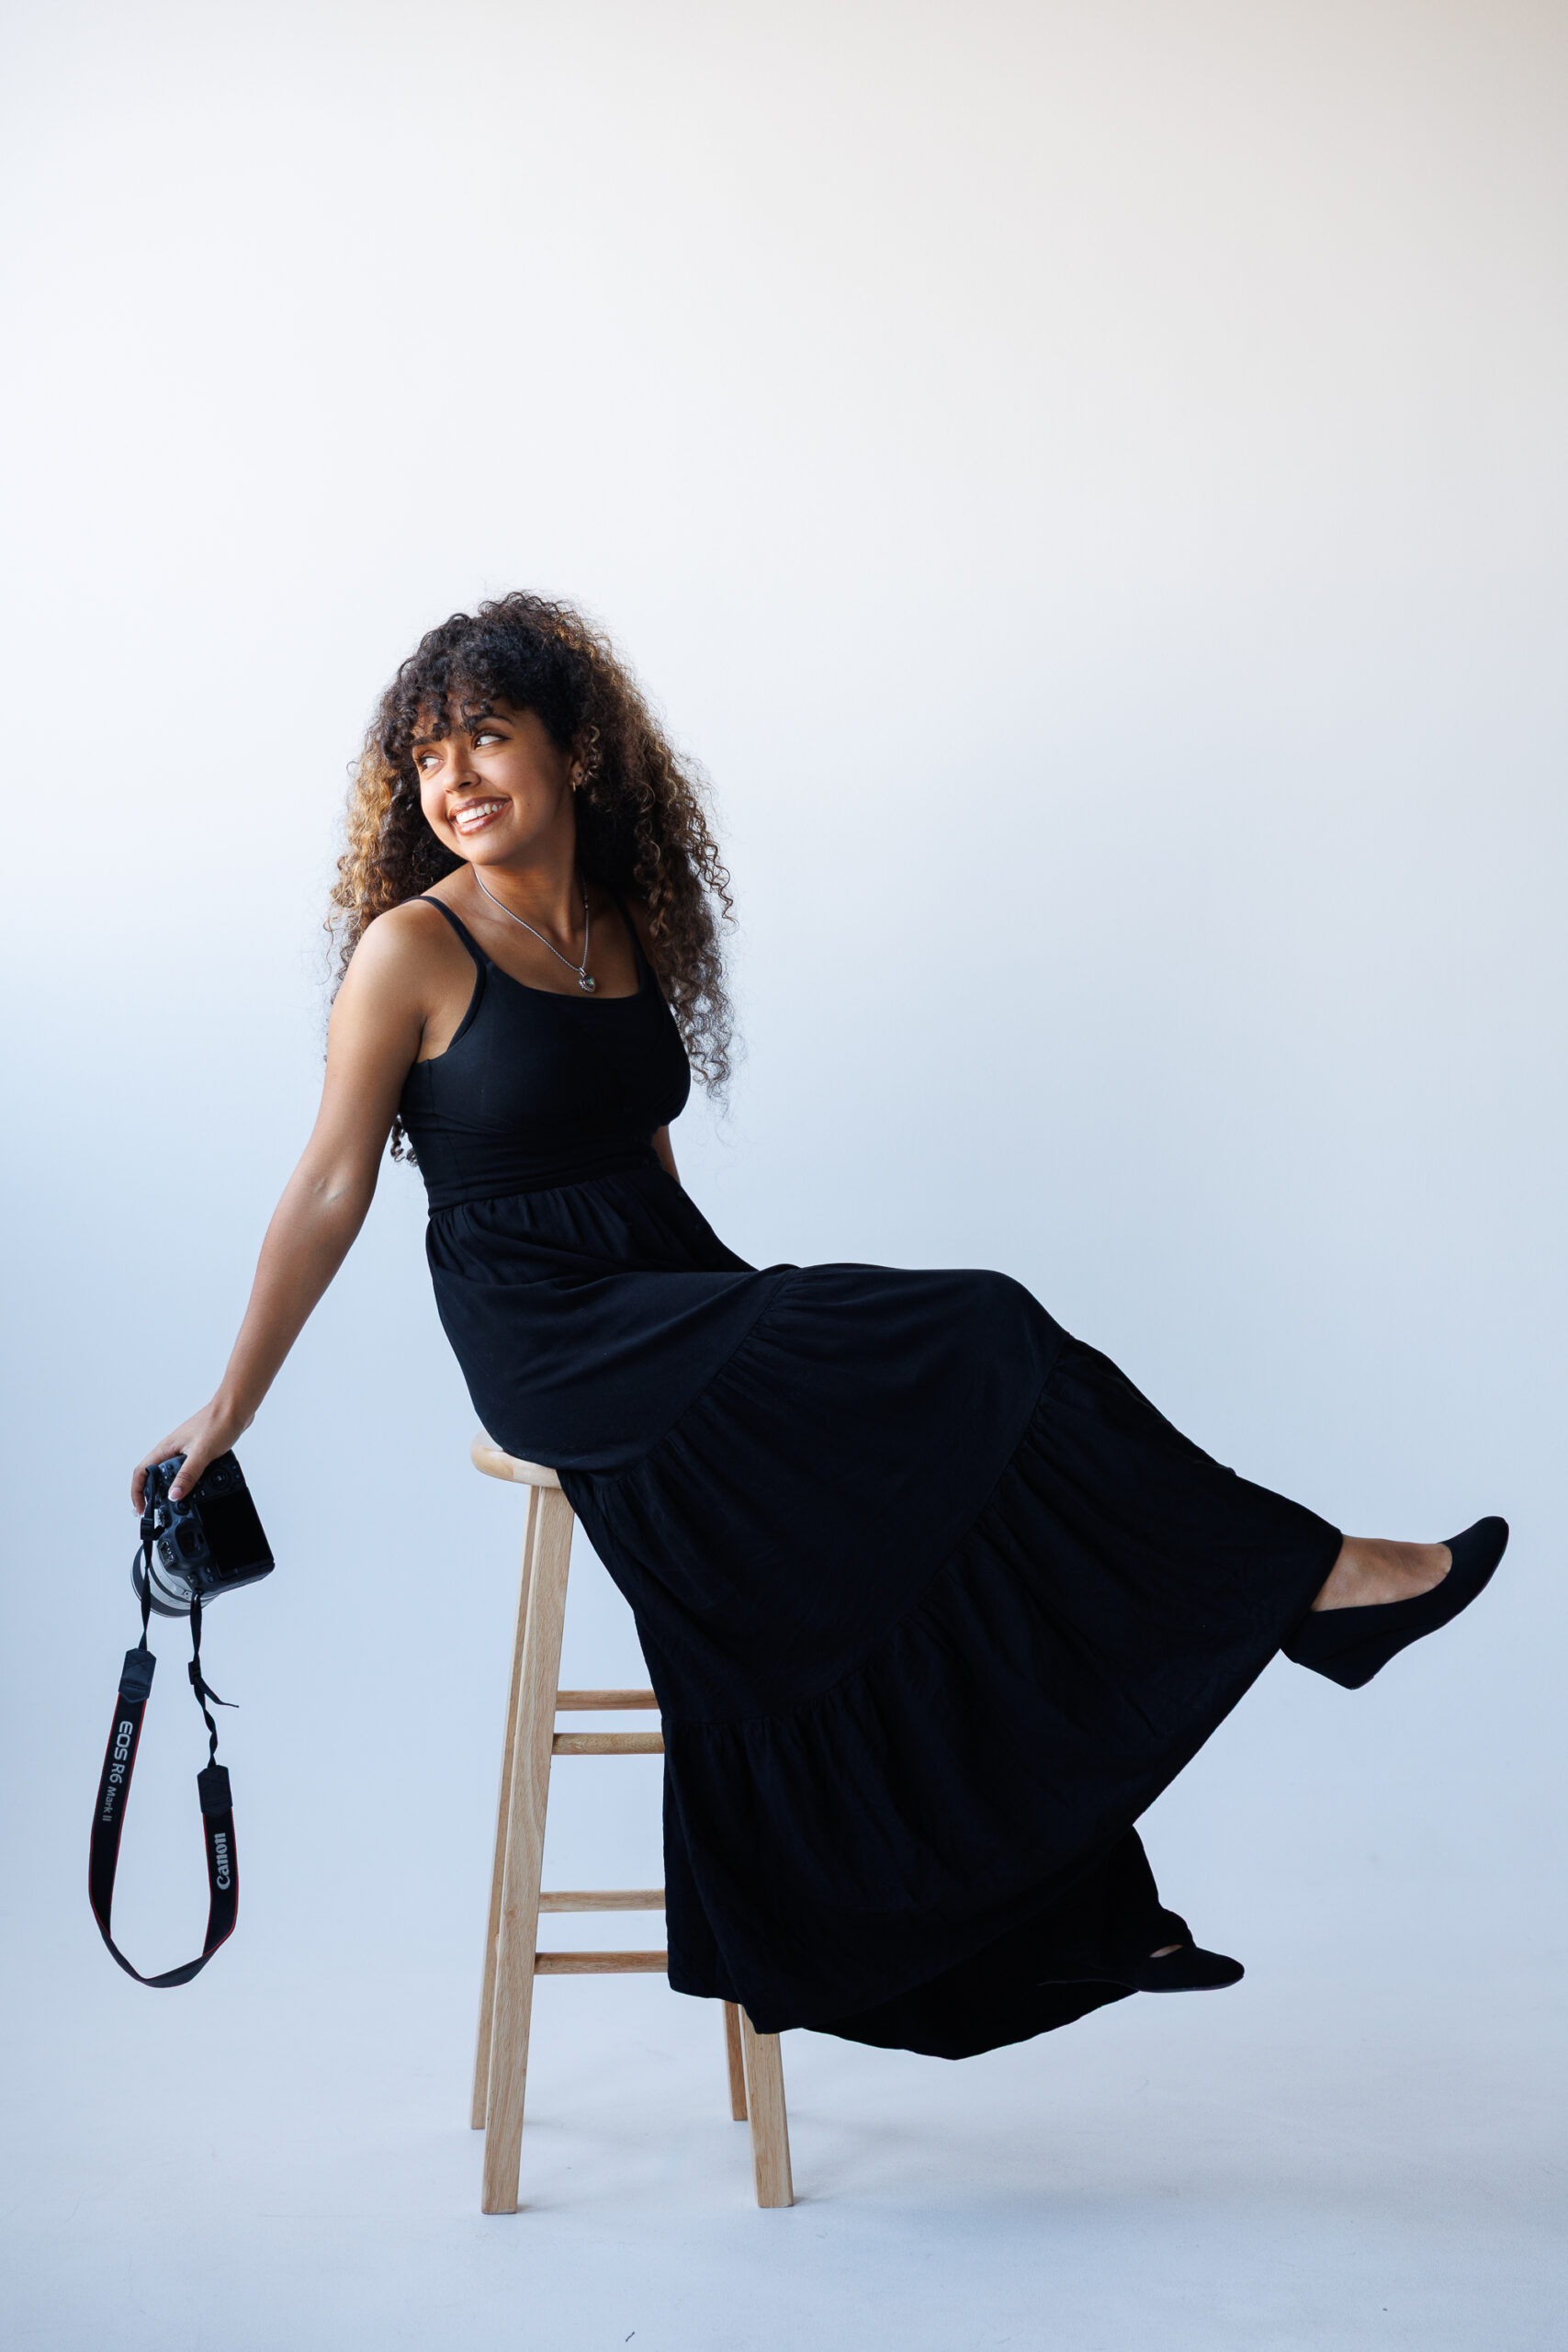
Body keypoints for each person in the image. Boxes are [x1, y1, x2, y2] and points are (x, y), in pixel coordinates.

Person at [132, 594, 1506, 2059]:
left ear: (572, 749)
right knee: (982, 1330)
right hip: (551, 1334)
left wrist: (754, 1324)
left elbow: (642, 1155)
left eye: (486, 736)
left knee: (937, 1446)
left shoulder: (618, 925)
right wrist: (233, 1405)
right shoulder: (411, 949)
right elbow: (331, 1185)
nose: (455, 778)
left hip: (668, 1294)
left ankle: (1084, 1901)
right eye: (426, 756)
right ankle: (1310, 1582)